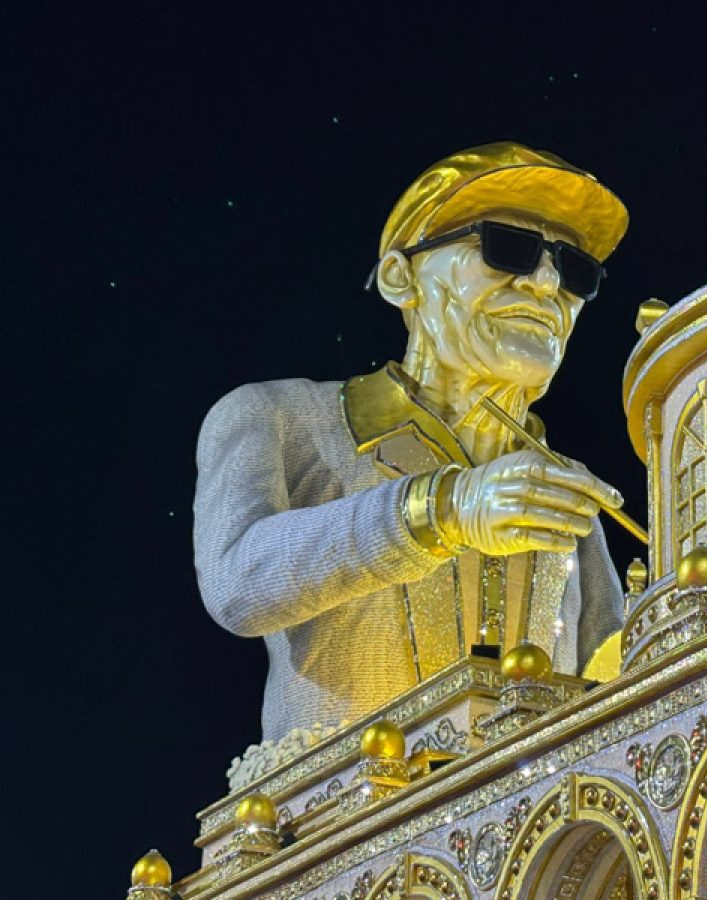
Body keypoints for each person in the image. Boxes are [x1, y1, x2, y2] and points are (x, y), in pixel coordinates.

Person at [194, 143, 630, 742]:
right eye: (508, 247)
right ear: (403, 278)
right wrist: (443, 511)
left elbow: (612, 670)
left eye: (577, 269)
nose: (547, 282)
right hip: (337, 824)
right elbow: (237, 583)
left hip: (538, 822)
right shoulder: (277, 416)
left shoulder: (563, 484)